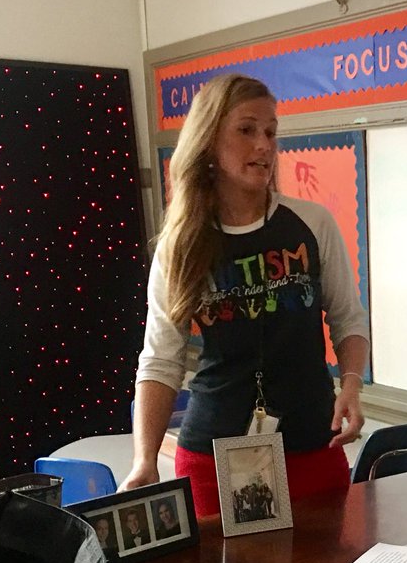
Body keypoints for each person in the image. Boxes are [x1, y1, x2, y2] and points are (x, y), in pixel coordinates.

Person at [121, 74, 370, 517]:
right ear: (209, 141)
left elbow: (349, 319)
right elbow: (160, 360)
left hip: (313, 443)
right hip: (216, 458)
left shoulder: (311, 223)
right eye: (247, 129)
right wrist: (145, 459)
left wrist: (351, 384)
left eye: (271, 132)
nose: (264, 145)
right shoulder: (180, 246)